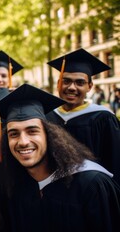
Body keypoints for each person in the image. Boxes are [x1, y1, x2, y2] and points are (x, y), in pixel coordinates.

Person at [0, 83, 120, 231]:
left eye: (32, 131)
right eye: (14, 134)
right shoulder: (12, 186)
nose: (23, 142)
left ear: (50, 135)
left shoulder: (91, 184)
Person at [46, 48, 120, 184]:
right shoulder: (47, 116)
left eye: (80, 83)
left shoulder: (103, 118)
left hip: (92, 192)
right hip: (53, 189)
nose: (72, 87)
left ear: (89, 87)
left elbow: (115, 162)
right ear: (58, 84)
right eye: (66, 81)